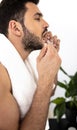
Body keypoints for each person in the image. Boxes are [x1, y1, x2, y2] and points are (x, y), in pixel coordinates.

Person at [0, 0, 61, 130]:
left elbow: (48, 93)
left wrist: (50, 69)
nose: (46, 24)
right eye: (38, 19)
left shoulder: (27, 60)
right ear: (16, 28)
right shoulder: (1, 76)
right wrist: (45, 80)